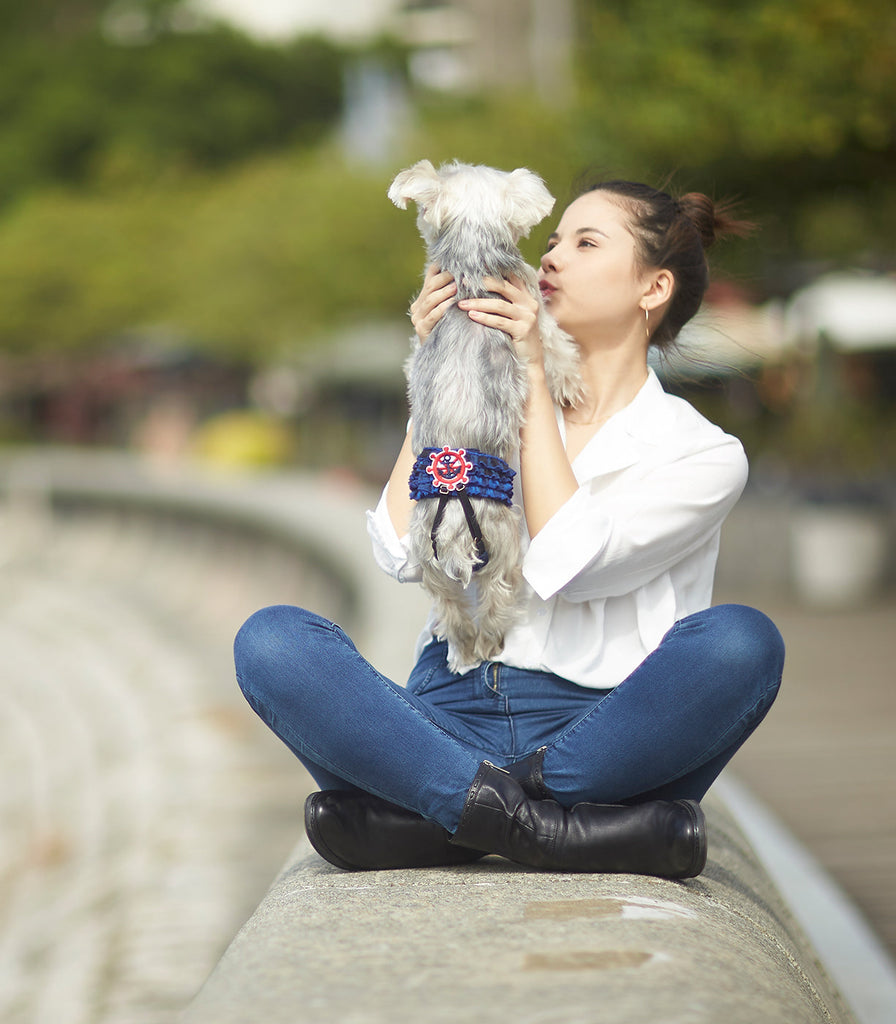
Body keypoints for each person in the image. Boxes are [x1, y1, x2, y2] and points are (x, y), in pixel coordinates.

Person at [234, 179, 785, 879]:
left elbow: (571, 563)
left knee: (744, 642)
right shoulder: (478, 399)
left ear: (654, 288)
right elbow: (401, 549)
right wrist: (437, 371)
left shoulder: (701, 453)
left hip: (603, 738)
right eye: (552, 241)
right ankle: (552, 830)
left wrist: (527, 376)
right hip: (450, 709)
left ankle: (444, 814)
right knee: (273, 641)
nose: (550, 259)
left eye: (586, 244)